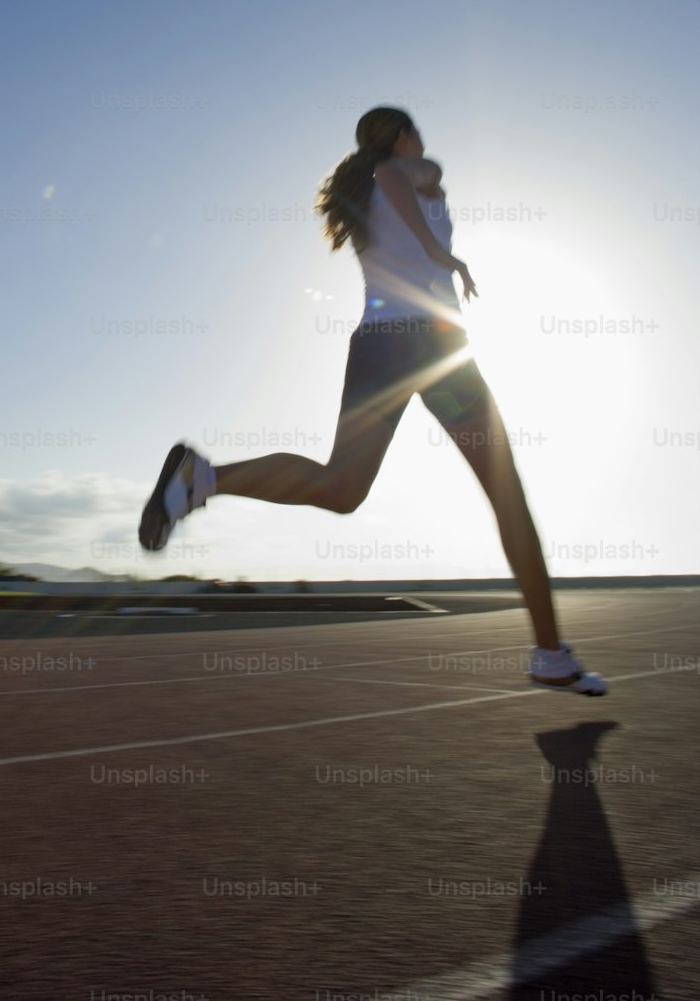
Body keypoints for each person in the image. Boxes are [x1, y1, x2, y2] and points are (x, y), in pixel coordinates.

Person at [138, 105, 606, 695]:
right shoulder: (412, 170)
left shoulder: (363, 199)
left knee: (342, 489)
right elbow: (392, 177)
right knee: (507, 494)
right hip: (434, 346)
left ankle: (200, 479)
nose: (423, 142)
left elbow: (384, 185)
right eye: (416, 133)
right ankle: (550, 654)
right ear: (403, 138)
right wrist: (442, 256)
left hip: (379, 344)